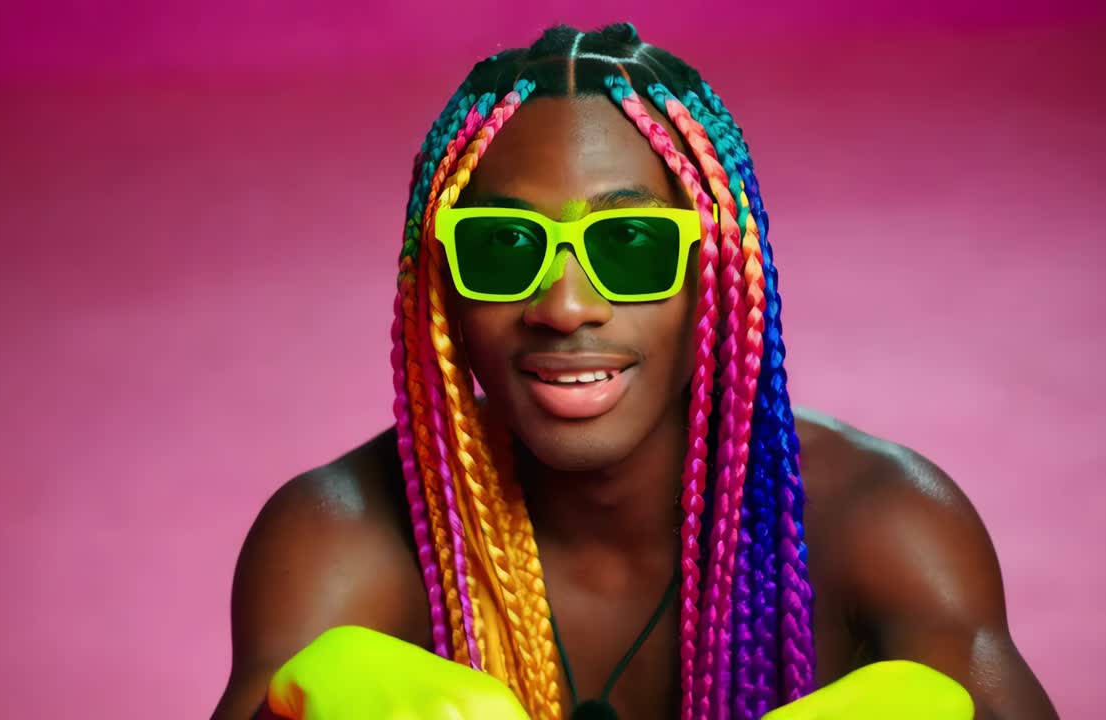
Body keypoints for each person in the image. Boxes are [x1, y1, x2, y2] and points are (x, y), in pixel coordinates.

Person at [211, 23, 1058, 720]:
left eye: (631, 244)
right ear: (443, 290)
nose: (565, 306)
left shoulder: (883, 527)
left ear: (717, 278)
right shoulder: (341, 541)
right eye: (503, 245)